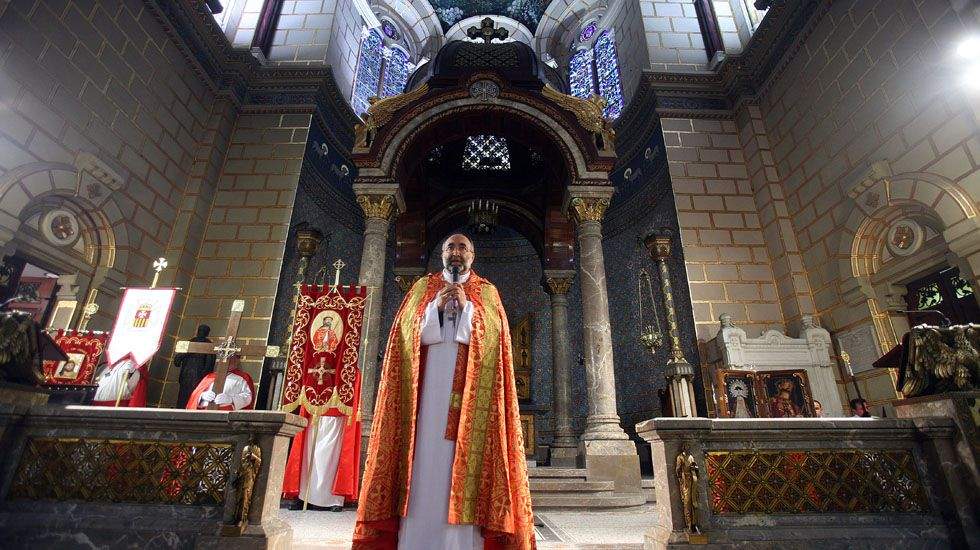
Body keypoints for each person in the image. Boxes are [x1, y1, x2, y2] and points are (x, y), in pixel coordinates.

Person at [353, 234, 535, 549]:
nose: (456, 252)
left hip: (470, 406)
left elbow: (497, 341)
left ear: (473, 255)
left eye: (463, 247)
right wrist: (434, 310)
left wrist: (468, 311)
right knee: (423, 466)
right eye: (450, 247)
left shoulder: (487, 293)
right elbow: (403, 337)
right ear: (442, 254)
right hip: (424, 405)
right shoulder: (422, 289)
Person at [184, 356, 255, 410]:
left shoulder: (243, 377)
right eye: (226, 357)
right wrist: (202, 396)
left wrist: (231, 399)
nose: (228, 360)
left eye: (232, 357)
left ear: (237, 360)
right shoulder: (210, 377)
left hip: (228, 415)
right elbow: (195, 394)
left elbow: (248, 397)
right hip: (204, 413)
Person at [172, 324, 216, 408]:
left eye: (202, 331)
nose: (201, 333)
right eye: (201, 331)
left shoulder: (194, 343)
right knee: (188, 397)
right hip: (193, 376)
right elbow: (177, 361)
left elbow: (177, 361)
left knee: (189, 397)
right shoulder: (203, 344)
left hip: (192, 376)